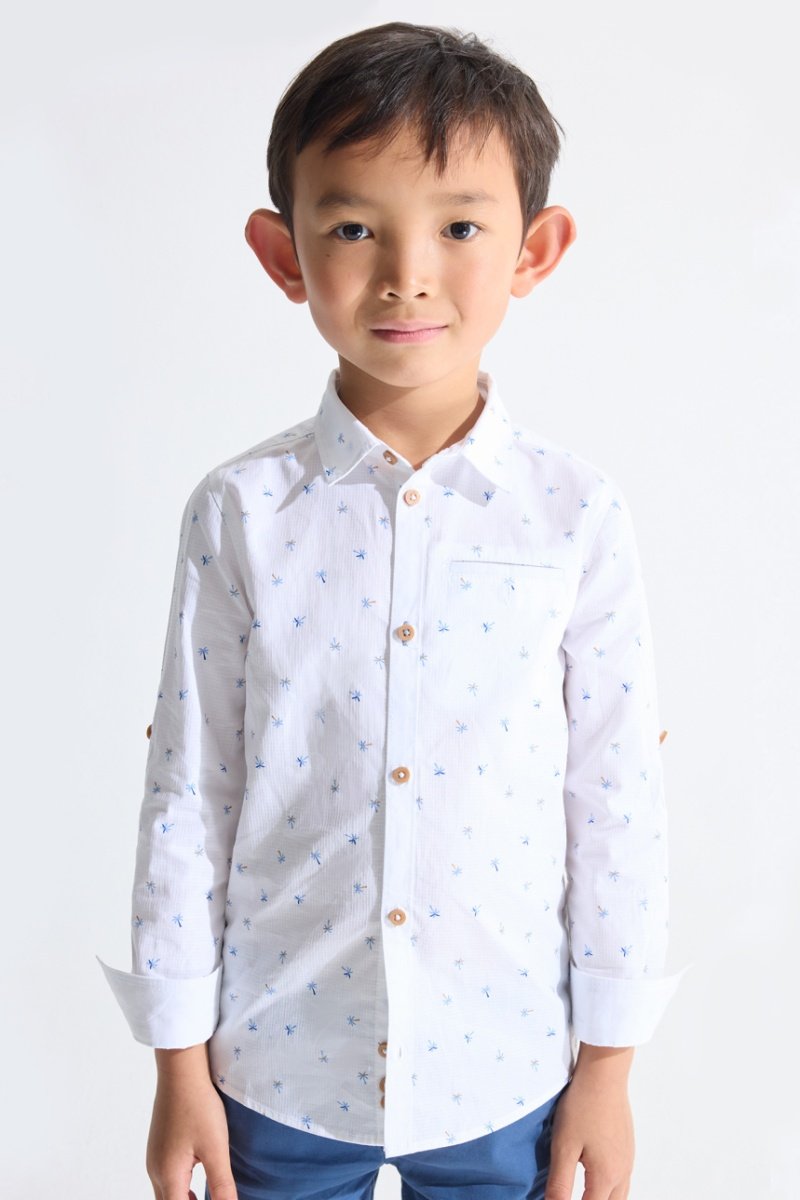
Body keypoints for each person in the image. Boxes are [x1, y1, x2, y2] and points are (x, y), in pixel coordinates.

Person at [98, 21, 682, 1200]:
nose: (406, 273)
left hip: (504, 1071)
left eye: (458, 227)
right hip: (274, 1069)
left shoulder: (574, 514)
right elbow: (188, 795)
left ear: (533, 249)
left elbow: (613, 796)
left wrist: (609, 1071)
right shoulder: (240, 513)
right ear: (283, 253)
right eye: (353, 227)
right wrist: (177, 1065)